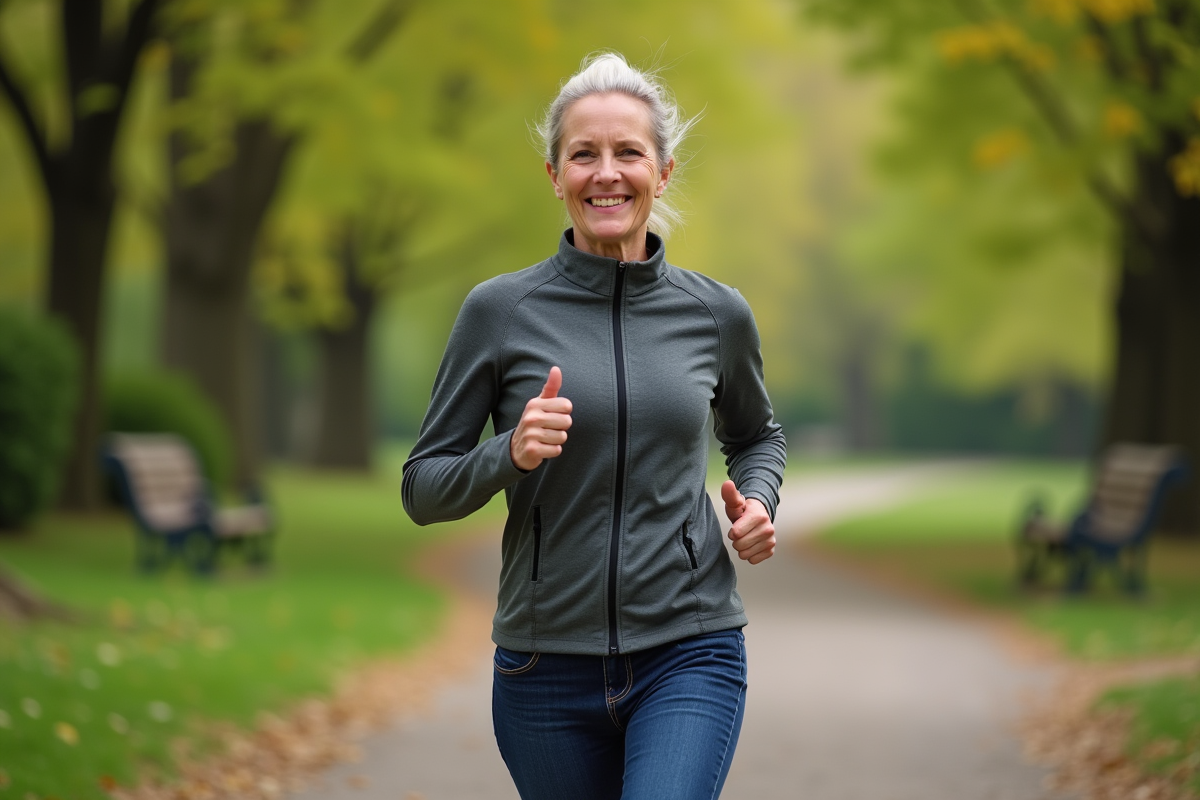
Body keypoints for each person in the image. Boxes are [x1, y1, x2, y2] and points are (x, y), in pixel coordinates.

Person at [402, 51, 786, 800]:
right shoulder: (500, 312)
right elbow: (423, 489)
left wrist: (760, 498)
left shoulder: (716, 315)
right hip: (545, 668)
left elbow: (757, 435)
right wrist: (507, 454)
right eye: (584, 154)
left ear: (663, 171)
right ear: (555, 176)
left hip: (689, 649)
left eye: (628, 153)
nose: (606, 173)